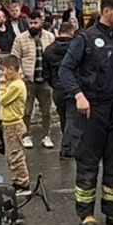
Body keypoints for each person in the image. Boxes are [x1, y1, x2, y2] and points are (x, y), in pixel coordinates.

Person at [59, 0, 113, 225]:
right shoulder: (85, 38)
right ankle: (86, 214)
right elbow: (65, 70)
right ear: (106, 11)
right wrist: (78, 95)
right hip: (93, 111)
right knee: (88, 163)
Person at [11, 10, 57, 150]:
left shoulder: (49, 37)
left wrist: (52, 75)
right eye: (30, 23)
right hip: (28, 81)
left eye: (35, 22)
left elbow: (53, 57)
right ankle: (26, 136)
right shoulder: (20, 38)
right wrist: (20, 76)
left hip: (45, 80)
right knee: (26, 111)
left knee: (46, 111)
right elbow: (15, 58)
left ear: (41, 22)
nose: (33, 25)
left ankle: (46, 136)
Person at [0, 55, 32, 193]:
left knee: (16, 155)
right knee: (11, 155)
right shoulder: (14, 84)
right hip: (8, 124)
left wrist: (2, 85)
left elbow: (3, 100)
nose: (3, 73)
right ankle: (18, 180)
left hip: (14, 125)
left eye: (4, 70)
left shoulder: (16, 85)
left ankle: (23, 183)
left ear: (12, 69)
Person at [44, 22, 76, 160]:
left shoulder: (49, 49)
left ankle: (66, 142)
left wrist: (54, 84)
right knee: (72, 118)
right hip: (73, 87)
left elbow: (46, 73)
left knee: (63, 117)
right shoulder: (75, 47)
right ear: (71, 32)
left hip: (57, 88)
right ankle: (67, 147)